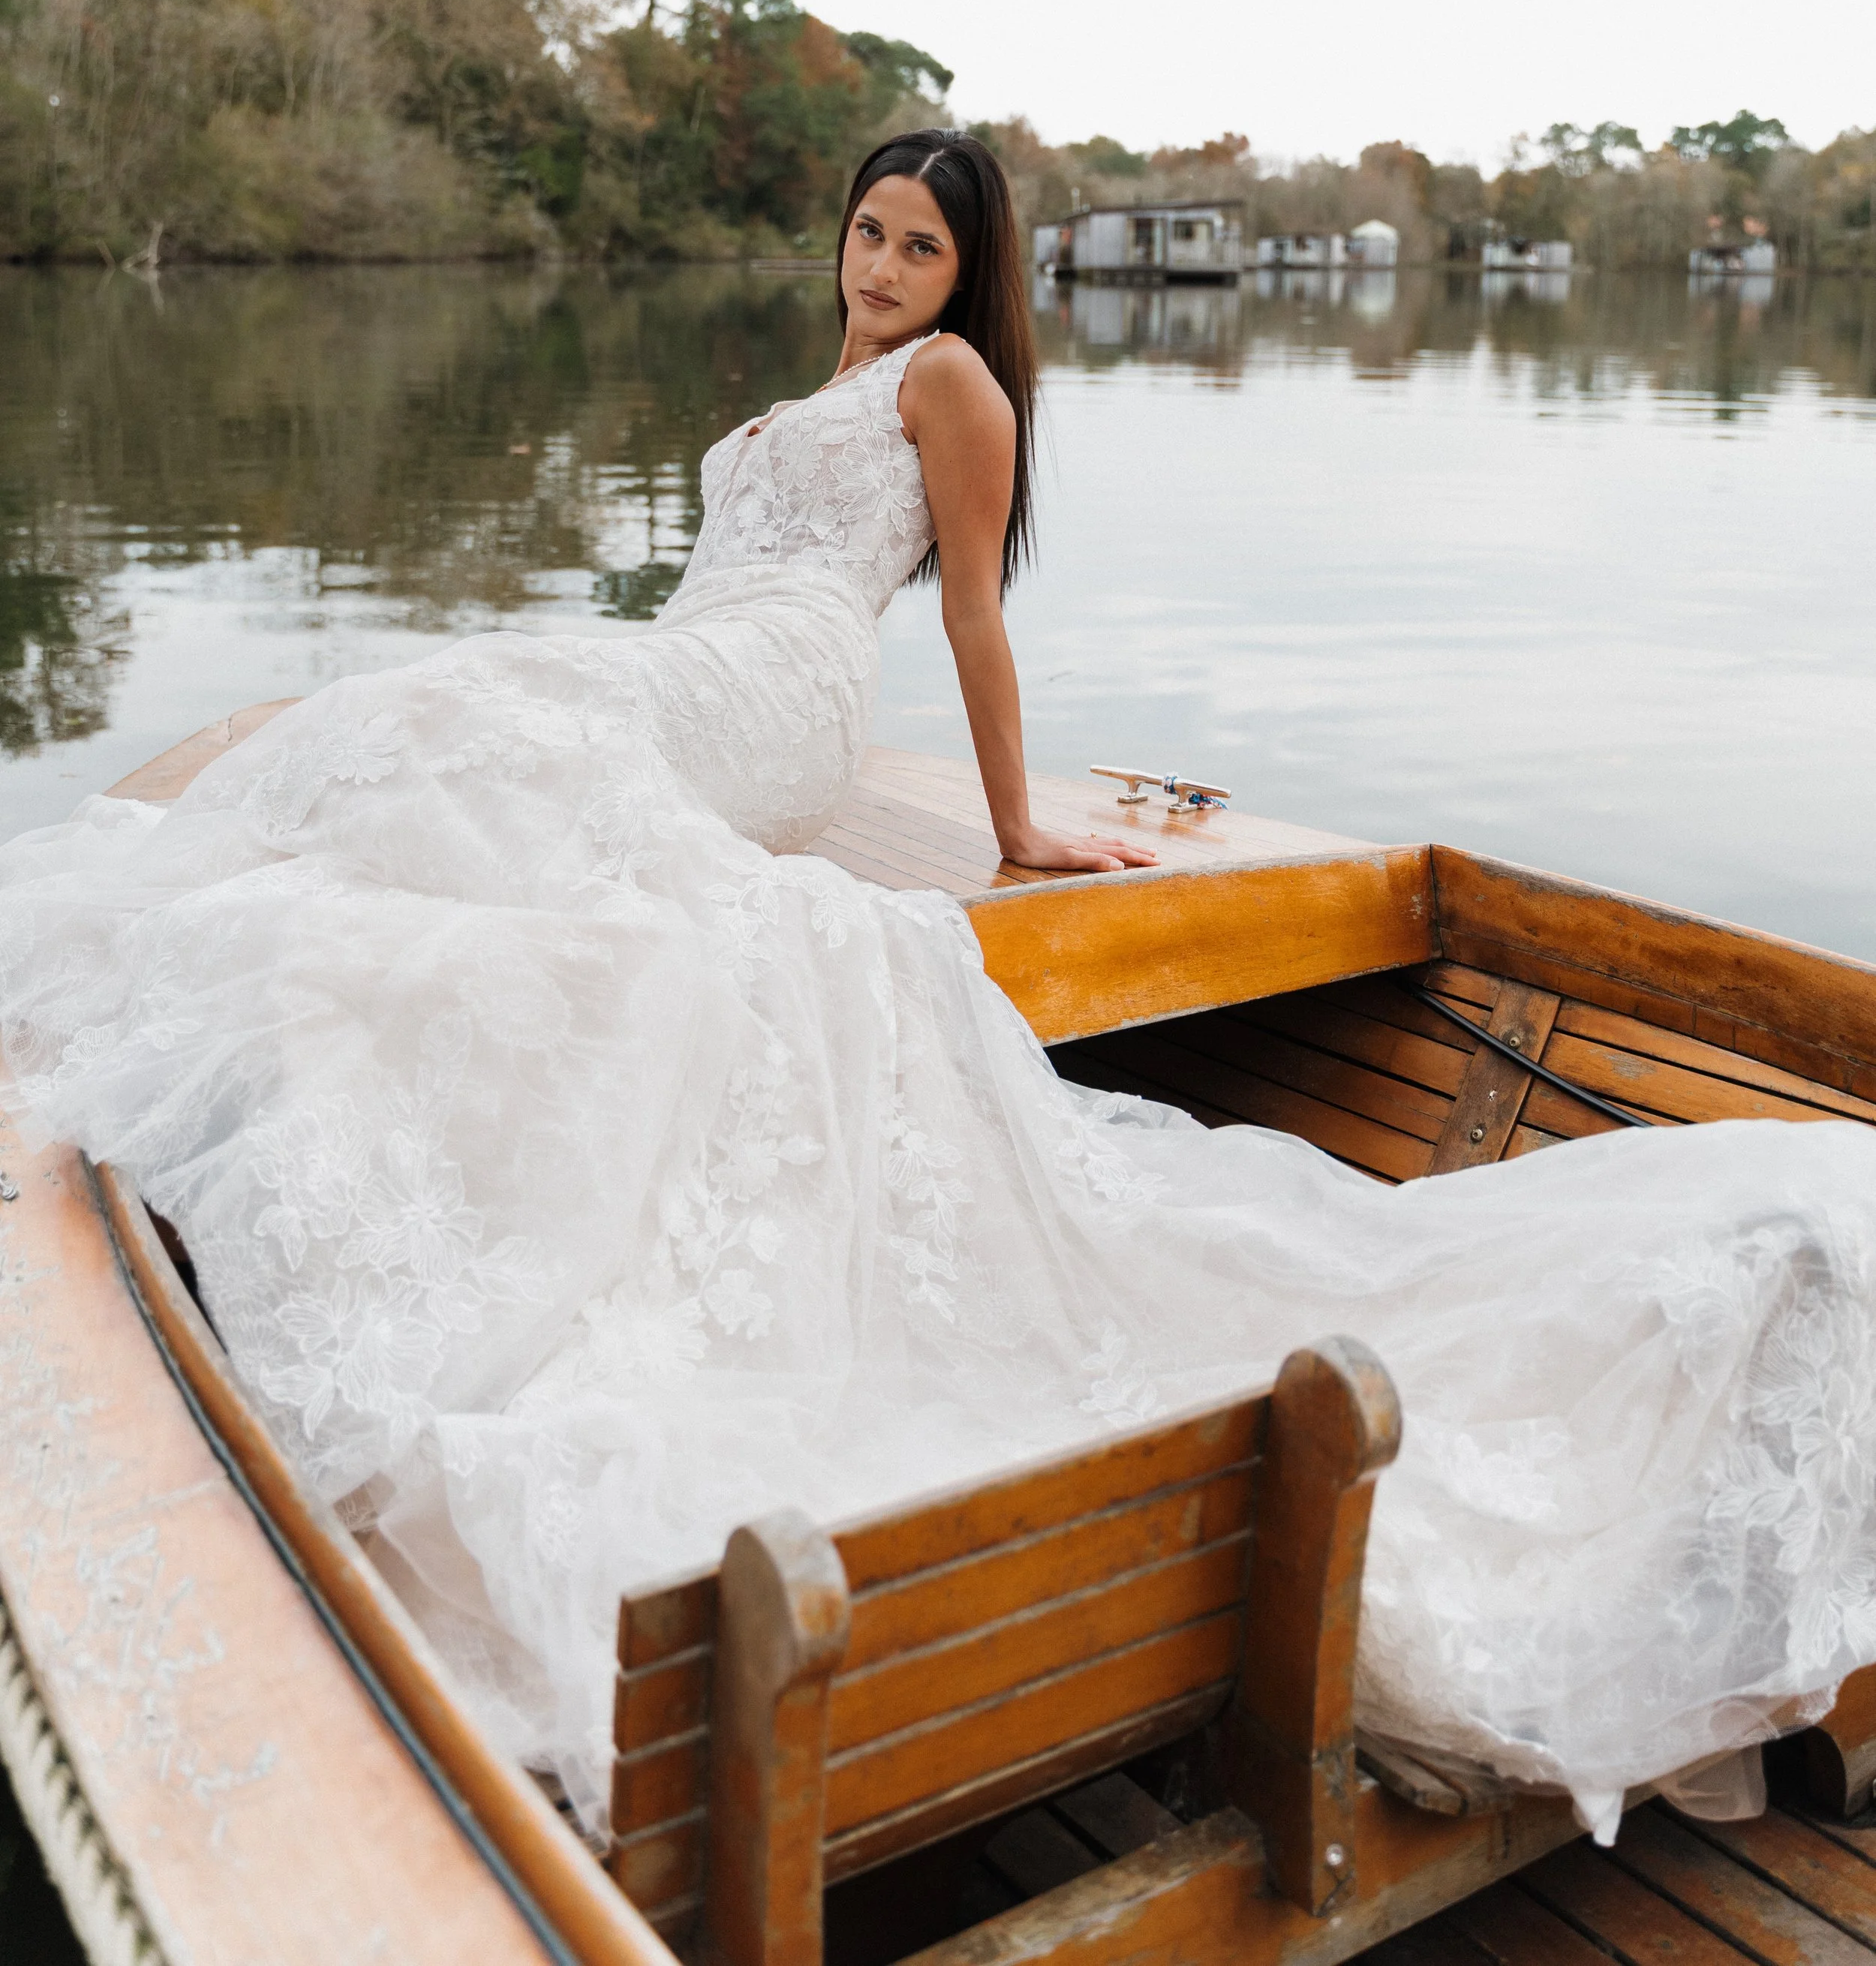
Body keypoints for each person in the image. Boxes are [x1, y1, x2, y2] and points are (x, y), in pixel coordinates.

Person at [4, 125, 1876, 1848]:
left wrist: (1019, 828)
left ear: (969, 273)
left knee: (436, 719)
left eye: (920, 244)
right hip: (691, 667)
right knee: (410, 728)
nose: (881, 262)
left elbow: (970, 608)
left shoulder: (948, 386)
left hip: (785, 697)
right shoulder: (819, 383)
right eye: (867, 230)